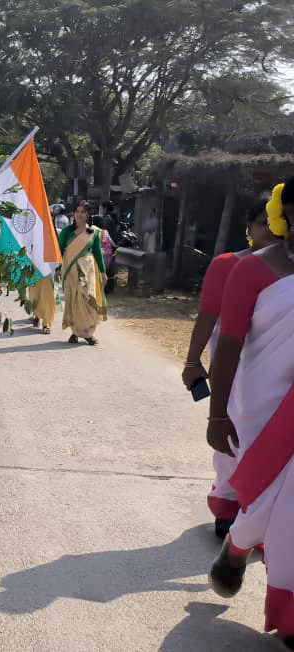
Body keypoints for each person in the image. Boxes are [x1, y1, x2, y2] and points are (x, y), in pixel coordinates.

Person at [206, 178, 294, 647]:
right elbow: (229, 343)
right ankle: (239, 544)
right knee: (270, 497)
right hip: (261, 403)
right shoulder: (252, 270)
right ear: (286, 216)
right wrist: (217, 415)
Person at [184, 196, 285, 539]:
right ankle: (227, 502)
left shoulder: (287, 270)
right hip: (234, 362)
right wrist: (192, 360)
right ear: (249, 228)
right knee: (233, 432)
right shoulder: (229, 265)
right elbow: (208, 315)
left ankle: (260, 511)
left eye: (276, 222)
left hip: (277, 369)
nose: (271, 230)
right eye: (263, 223)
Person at [58, 200, 107, 345]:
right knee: (74, 300)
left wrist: (103, 272)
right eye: (77, 211)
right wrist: (57, 270)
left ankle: (88, 332)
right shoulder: (67, 232)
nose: (79, 214)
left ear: (88, 214)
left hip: (88, 269)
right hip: (70, 269)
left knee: (89, 299)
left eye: (83, 212)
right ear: (74, 214)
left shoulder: (92, 231)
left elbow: (97, 252)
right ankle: (75, 332)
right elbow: (59, 251)